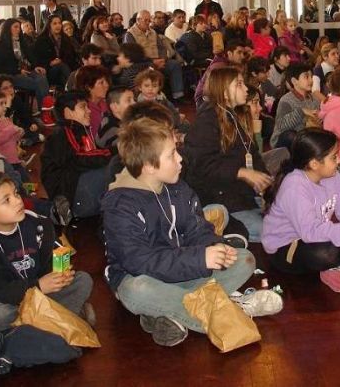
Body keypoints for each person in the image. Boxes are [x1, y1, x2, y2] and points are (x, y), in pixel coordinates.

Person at [102, 118, 280, 347]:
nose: (180, 159)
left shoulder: (177, 187)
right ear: (148, 165)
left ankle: (169, 312)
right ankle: (234, 309)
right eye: (172, 154)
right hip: (146, 277)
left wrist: (214, 246)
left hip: (183, 272)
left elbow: (197, 228)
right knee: (136, 291)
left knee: (244, 259)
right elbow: (139, 261)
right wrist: (199, 259)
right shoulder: (120, 204)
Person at [0, 170, 94, 332]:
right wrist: (36, 286)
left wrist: (61, 273)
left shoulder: (38, 225)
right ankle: (62, 318)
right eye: (7, 200)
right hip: (12, 300)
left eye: (16, 194)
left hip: (42, 294)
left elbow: (55, 255)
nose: (18, 201)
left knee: (83, 280)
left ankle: (44, 322)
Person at [262, 128, 340, 293]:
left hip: (312, 237)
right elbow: (310, 231)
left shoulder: (333, 176)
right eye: (333, 157)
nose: (339, 160)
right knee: (326, 253)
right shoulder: (294, 187)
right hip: (286, 247)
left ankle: (336, 268)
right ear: (314, 164)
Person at [184, 67, 271, 242]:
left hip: (241, 195)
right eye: (239, 84)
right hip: (219, 198)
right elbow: (201, 164)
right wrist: (241, 172)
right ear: (224, 92)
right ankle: (218, 227)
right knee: (269, 232)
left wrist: (266, 181)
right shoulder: (206, 121)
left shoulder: (232, 116)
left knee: (282, 221)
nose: (246, 89)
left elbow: (251, 153)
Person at [40, 91, 111, 221]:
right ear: (68, 113)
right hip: (67, 192)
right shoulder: (63, 133)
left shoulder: (80, 130)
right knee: (107, 170)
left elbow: (90, 155)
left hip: (75, 184)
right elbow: (80, 157)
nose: (89, 111)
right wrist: (113, 152)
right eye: (83, 107)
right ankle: (61, 209)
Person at [125, 10, 184, 101]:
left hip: (158, 60)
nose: (148, 23)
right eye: (146, 20)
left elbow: (162, 48)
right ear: (138, 20)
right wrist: (152, 62)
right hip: (143, 63)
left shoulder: (153, 32)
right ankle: (155, 99)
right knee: (153, 69)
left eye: (149, 20)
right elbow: (134, 55)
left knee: (174, 64)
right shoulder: (130, 34)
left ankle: (178, 96)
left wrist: (162, 59)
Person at [0, 18, 50, 110]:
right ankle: (45, 110)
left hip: (26, 70)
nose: (18, 30)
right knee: (39, 84)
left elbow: (31, 57)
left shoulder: (22, 42)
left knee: (42, 77)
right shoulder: (1, 46)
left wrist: (36, 66)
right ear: (8, 29)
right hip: (11, 74)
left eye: (19, 27)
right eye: (15, 27)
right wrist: (18, 70)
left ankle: (44, 109)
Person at [271, 63, 320, 149]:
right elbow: (281, 125)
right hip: (284, 141)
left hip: (305, 138)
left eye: (311, 76)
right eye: (306, 77)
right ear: (294, 81)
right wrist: (302, 112)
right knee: (291, 136)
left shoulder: (315, 99)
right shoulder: (286, 100)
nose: (310, 80)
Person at [0, 89, 28, 184]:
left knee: (26, 181)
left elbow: (12, 139)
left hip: (15, 159)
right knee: (15, 183)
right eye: (1, 104)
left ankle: (30, 195)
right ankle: (23, 195)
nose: (5, 106)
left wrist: (19, 133)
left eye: (5, 103)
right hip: (5, 162)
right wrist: (12, 129)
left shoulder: (5, 119)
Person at [194, 39, 248, 107]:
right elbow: (215, 91)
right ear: (229, 53)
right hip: (204, 100)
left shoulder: (228, 63)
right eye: (239, 52)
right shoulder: (219, 66)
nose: (242, 56)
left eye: (243, 53)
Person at [33, 16, 78, 90]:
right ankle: (74, 90)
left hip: (64, 69)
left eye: (59, 23)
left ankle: (68, 94)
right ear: (49, 25)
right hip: (48, 71)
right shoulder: (41, 40)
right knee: (61, 67)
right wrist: (50, 63)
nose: (58, 26)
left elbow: (71, 56)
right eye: (54, 23)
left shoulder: (65, 38)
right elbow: (37, 59)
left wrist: (61, 60)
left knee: (63, 74)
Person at [96, 86, 135, 153]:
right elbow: (132, 150)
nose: (134, 103)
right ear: (115, 107)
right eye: (129, 100)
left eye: (134, 99)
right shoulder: (110, 127)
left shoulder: (129, 120)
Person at [74, 65, 110, 137]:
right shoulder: (84, 111)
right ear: (88, 87)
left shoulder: (105, 103)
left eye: (106, 81)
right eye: (101, 82)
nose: (107, 85)